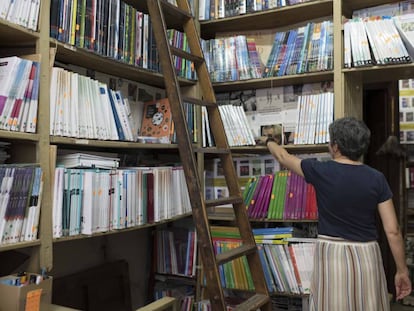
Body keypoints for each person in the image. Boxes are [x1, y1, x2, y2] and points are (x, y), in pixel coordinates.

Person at [265, 116, 412, 310]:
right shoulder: (377, 178)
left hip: (331, 254)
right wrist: (402, 270)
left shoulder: (320, 170)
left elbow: (283, 157)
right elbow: (392, 230)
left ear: (335, 146)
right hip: (367, 254)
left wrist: (269, 142)